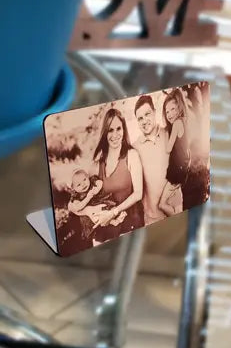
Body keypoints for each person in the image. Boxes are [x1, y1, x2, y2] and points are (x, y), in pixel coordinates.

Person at [92, 108, 144, 242]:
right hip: (107, 220)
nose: (115, 134)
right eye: (110, 130)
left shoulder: (131, 155)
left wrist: (113, 212)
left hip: (129, 219)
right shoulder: (100, 161)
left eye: (118, 129)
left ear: (123, 130)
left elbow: (138, 194)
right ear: (105, 133)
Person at [133, 94, 173, 225]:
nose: (144, 121)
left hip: (177, 208)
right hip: (152, 218)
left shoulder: (170, 134)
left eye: (147, 114)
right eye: (140, 118)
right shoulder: (135, 148)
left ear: (155, 112)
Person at [67, 168, 127, 241]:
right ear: (73, 188)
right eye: (79, 184)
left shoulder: (92, 181)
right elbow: (77, 207)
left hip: (102, 202)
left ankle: (117, 216)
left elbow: (100, 182)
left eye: (84, 179)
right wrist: (87, 198)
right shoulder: (76, 196)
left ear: (87, 176)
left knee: (109, 208)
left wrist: (96, 189)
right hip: (91, 214)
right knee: (95, 217)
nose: (83, 184)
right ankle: (113, 222)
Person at [159, 88, 190, 215]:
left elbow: (168, 148)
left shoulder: (177, 123)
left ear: (179, 107)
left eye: (172, 109)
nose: (170, 114)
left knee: (162, 204)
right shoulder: (184, 122)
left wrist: (162, 136)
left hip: (176, 173)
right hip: (181, 170)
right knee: (177, 201)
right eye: (167, 111)